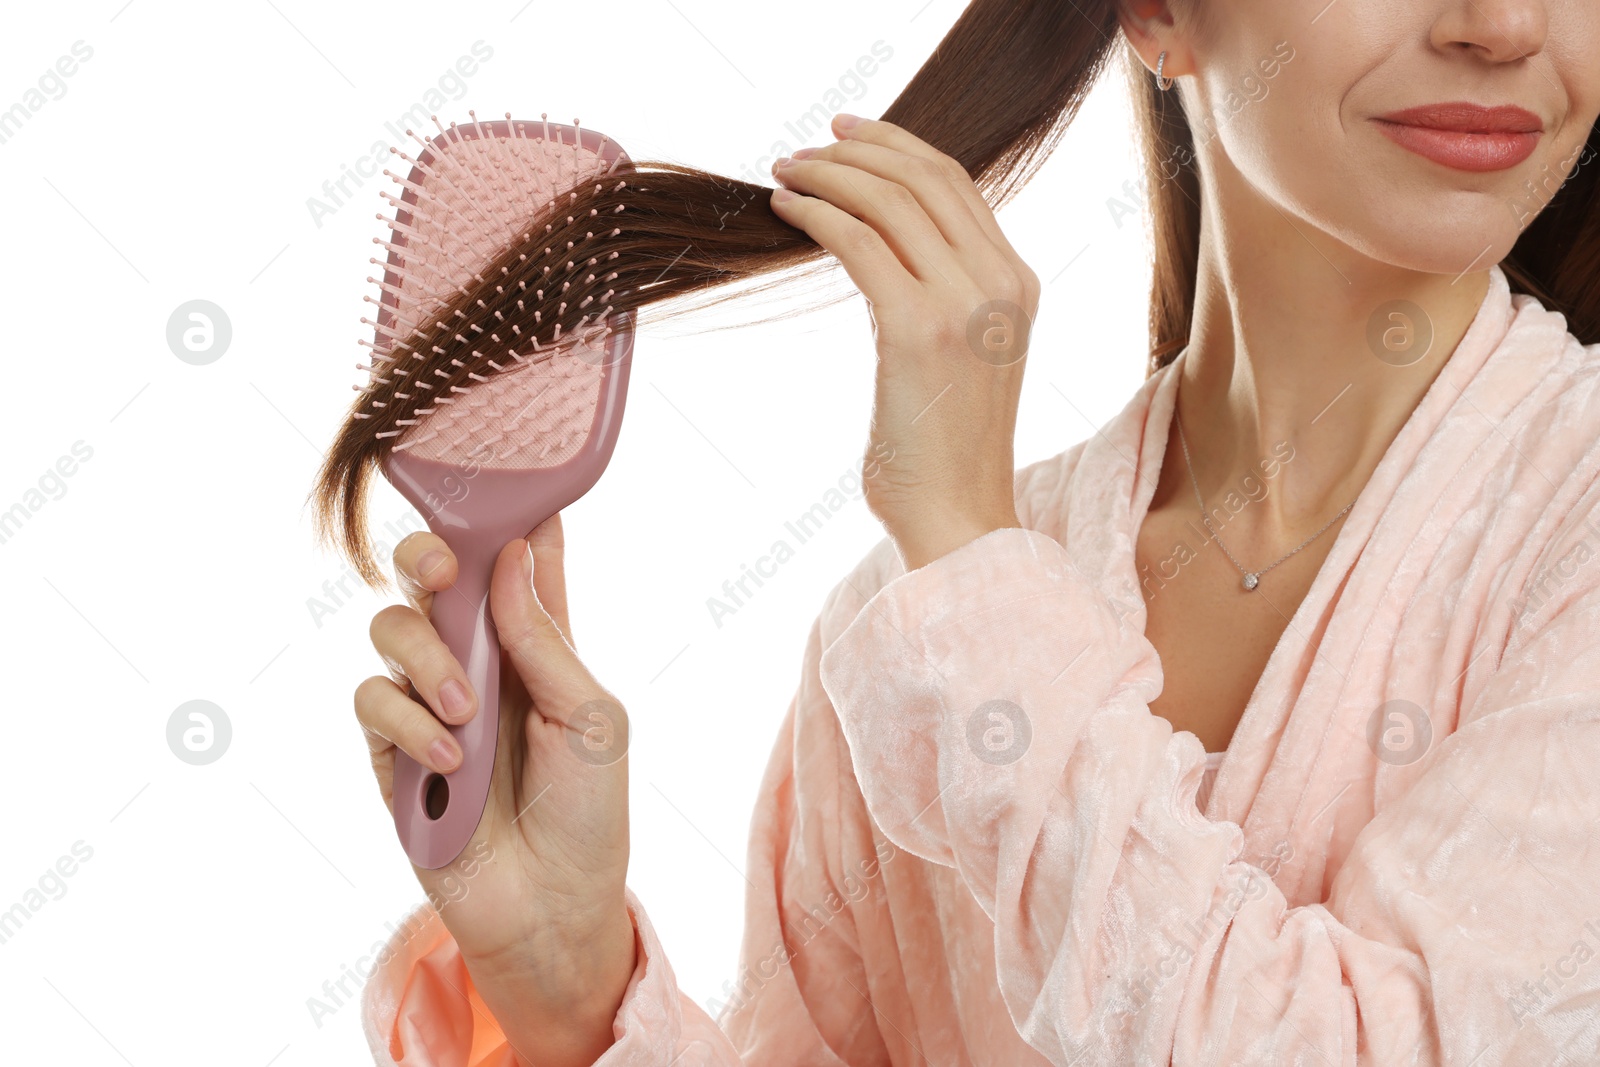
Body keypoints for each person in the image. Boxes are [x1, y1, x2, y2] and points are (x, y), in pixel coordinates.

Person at [347, 0, 1600, 1062]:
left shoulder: (954, 601)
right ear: (1158, 10)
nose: (1502, 24)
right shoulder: (910, 625)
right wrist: (571, 987)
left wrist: (957, 543)